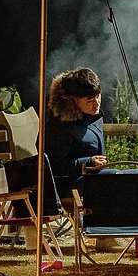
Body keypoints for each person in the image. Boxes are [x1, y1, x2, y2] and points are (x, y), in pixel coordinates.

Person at [43, 66, 108, 201]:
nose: (96, 103)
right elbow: (52, 166)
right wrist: (89, 162)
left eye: (98, 96)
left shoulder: (90, 116)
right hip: (66, 188)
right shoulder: (59, 126)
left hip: (92, 179)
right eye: (89, 100)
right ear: (73, 100)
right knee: (116, 182)